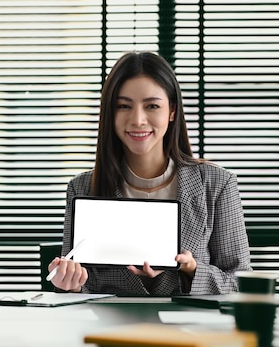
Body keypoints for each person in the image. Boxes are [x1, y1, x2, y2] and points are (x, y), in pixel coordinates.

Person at [48, 51, 252, 296]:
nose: (138, 120)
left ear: (172, 111)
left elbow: (242, 284)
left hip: (189, 332)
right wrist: (71, 284)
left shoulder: (217, 184)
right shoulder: (82, 188)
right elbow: (80, 287)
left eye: (152, 106)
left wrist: (192, 269)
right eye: (124, 106)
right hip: (106, 331)